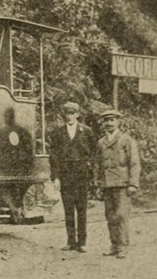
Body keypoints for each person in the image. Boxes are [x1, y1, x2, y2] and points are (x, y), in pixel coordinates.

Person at [94, 109, 141, 259]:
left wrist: (133, 183)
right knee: (110, 216)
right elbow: (97, 165)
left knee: (121, 215)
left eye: (112, 120)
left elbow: (134, 163)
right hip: (107, 184)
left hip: (122, 183)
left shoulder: (127, 140)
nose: (108, 123)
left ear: (118, 121)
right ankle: (114, 245)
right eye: (106, 121)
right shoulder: (101, 142)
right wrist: (98, 184)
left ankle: (123, 247)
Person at [49, 102, 95, 252]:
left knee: (81, 209)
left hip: (82, 174)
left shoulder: (86, 131)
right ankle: (71, 241)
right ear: (64, 115)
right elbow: (54, 156)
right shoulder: (58, 132)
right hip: (65, 174)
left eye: (72, 113)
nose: (69, 116)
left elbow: (94, 153)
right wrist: (55, 177)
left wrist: (90, 171)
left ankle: (82, 243)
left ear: (77, 114)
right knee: (68, 209)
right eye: (67, 113)